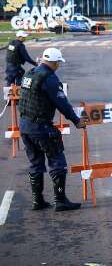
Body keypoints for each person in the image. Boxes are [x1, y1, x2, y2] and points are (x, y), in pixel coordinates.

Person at [18, 47, 88, 212]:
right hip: (41, 127)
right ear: (55, 62)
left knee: (35, 163)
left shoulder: (30, 73)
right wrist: (76, 121)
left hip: (25, 125)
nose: (58, 66)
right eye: (58, 63)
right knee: (58, 161)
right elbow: (62, 103)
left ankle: (38, 201)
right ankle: (60, 200)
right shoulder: (49, 78)